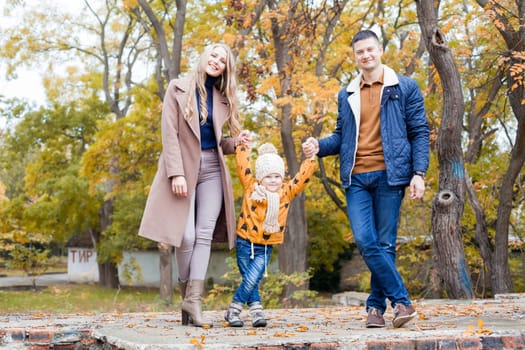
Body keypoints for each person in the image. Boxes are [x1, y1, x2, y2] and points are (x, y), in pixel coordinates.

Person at [303, 30, 429, 328]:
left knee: (385, 244)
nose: (366, 55)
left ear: (380, 49)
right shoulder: (346, 93)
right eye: (360, 52)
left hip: (390, 175)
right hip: (356, 177)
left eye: (370, 49)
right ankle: (402, 302)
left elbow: (420, 132)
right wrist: (319, 146)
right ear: (355, 55)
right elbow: (341, 137)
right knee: (365, 240)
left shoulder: (404, 87)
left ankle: (374, 309)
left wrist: (419, 173)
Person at [138, 43, 251, 327]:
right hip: (184, 169)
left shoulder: (223, 98)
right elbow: (170, 135)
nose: (216, 61)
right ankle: (186, 297)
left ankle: (194, 302)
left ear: (226, 69)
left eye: (222, 60)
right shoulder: (177, 88)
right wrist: (175, 173)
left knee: (203, 235)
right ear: (203, 58)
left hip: (213, 169)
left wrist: (236, 143)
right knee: (185, 236)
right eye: (213, 55)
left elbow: (216, 142)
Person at [224, 141, 317, 327]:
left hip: (264, 246)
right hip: (244, 241)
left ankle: (234, 310)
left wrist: (310, 161)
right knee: (249, 280)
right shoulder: (251, 187)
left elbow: (301, 178)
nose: (274, 180)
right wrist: (242, 146)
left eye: (277, 176)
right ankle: (257, 311)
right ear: (260, 178)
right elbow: (243, 166)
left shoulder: (285, 192)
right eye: (269, 176)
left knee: (252, 278)